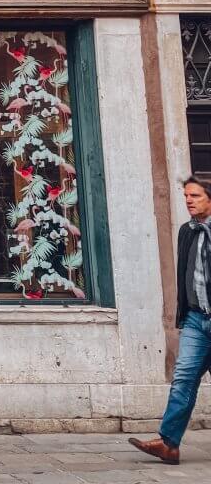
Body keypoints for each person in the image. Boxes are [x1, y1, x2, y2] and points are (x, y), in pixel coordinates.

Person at [129, 176, 211, 466]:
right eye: (186, 195)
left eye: (195, 196)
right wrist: (184, 312)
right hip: (195, 320)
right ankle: (169, 444)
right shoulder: (187, 231)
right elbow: (185, 273)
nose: (188, 200)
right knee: (183, 380)